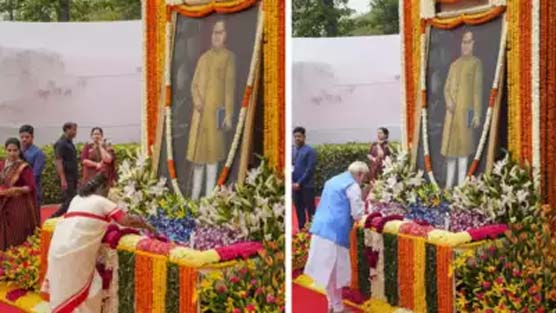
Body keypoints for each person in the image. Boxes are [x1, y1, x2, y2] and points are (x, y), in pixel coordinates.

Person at [43, 173, 154, 313]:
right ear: (102, 187)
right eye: (107, 189)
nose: (108, 192)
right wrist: (148, 226)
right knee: (88, 294)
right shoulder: (101, 202)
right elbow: (128, 221)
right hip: (75, 255)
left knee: (65, 291)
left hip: (58, 249)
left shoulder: (76, 199)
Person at [304, 161, 368, 313]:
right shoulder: (352, 186)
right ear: (360, 174)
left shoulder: (333, 180)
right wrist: (365, 204)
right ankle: (338, 308)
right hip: (335, 232)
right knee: (335, 272)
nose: (363, 181)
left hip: (320, 228)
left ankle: (332, 304)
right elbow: (357, 214)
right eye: (364, 177)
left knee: (326, 270)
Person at [186, 18, 236, 200]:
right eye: (215, 32)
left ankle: (209, 198)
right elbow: (193, 85)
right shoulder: (203, 58)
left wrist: (229, 114)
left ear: (226, 35)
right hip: (200, 115)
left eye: (221, 32)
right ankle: (194, 197)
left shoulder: (229, 57)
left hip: (217, 114)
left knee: (213, 158)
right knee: (198, 158)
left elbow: (229, 89)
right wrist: (197, 100)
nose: (217, 36)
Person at [441, 29, 483, 188]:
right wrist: (448, 101)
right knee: (451, 153)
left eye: (468, 42)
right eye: (463, 42)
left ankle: (461, 187)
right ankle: (448, 187)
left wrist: (477, 114)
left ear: (473, 44)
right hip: (451, 115)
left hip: (467, 113)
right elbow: (446, 88)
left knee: (463, 152)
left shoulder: (476, 63)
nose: (465, 45)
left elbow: (477, 91)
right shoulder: (454, 64)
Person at [0, 138, 40, 251]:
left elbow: (30, 187)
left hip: (18, 204)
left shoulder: (24, 167)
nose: (12, 153)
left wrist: (16, 189)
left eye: (15, 150)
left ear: (19, 151)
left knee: (17, 231)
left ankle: (17, 255)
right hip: (3, 201)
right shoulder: (2, 164)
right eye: (9, 150)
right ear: (5, 150)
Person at [51, 122, 79, 218]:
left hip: (73, 176)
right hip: (67, 176)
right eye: (74, 129)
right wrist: (63, 179)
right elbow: (58, 161)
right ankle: (52, 218)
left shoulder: (70, 142)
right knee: (69, 200)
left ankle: (68, 219)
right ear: (67, 130)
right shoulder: (61, 143)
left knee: (73, 200)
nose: (76, 132)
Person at [292, 126, 317, 230]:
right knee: (298, 209)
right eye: (295, 136)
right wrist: (292, 182)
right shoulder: (292, 150)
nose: (297, 138)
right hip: (294, 186)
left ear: (304, 137)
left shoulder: (310, 151)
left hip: (307, 186)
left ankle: (313, 230)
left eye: (299, 136)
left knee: (310, 209)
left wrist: (299, 183)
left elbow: (310, 169)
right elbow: (290, 167)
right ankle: (301, 230)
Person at [19, 124, 46, 207]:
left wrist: (24, 186)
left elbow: (36, 174)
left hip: (33, 190)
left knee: (34, 217)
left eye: (27, 137)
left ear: (32, 137)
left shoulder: (38, 153)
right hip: (19, 190)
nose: (24, 139)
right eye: (22, 137)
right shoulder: (18, 151)